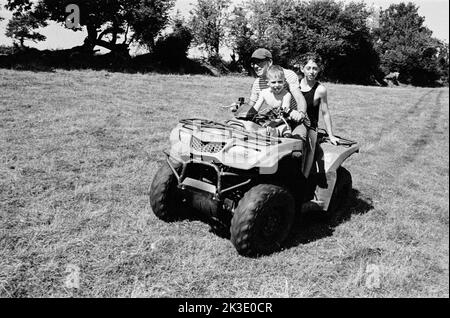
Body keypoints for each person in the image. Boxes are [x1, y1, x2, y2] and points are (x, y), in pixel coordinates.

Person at [246, 48, 308, 143]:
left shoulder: (288, 75)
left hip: (293, 121)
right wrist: (240, 110)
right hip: (271, 121)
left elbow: (299, 98)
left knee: (296, 144)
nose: (255, 66)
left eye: (259, 62)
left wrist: (300, 114)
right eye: (253, 63)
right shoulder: (257, 83)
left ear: (270, 62)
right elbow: (251, 106)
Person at [299, 53, 339, 145]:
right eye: (308, 68)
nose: (311, 72)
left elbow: (325, 113)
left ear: (319, 70)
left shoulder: (320, 90)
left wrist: (331, 135)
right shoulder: (295, 86)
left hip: (310, 129)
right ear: (302, 68)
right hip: (293, 125)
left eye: (315, 68)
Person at [252, 65, 293, 137]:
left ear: (284, 81)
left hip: (282, 122)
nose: (277, 85)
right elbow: (255, 108)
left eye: (280, 82)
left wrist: (273, 122)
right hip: (269, 120)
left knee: (287, 134)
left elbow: (284, 112)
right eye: (273, 82)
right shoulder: (264, 93)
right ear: (267, 82)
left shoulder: (286, 94)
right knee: (253, 130)